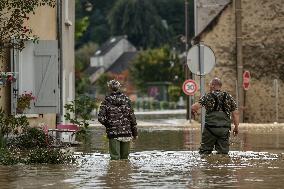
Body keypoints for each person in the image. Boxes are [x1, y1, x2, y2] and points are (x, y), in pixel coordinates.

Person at [191, 77, 239, 155]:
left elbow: (194, 107)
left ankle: (209, 165)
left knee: (204, 152)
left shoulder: (208, 96)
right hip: (224, 130)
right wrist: (236, 127)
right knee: (223, 153)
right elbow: (236, 113)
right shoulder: (229, 97)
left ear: (213, 85)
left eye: (210, 85)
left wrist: (193, 111)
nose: (209, 86)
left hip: (210, 129)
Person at [98, 80, 138, 160]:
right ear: (119, 88)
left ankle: (114, 172)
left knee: (114, 159)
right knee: (125, 159)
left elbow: (100, 118)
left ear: (109, 88)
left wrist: (109, 125)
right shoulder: (127, 100)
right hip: (126, 132)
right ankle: (125, 172)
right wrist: (135, 133)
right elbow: (132, 118)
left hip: (113, 134)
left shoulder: (106, 101)